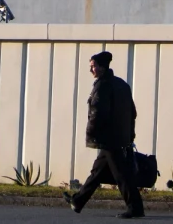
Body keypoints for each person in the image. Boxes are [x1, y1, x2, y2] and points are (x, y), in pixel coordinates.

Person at [63, 50, 144, 219]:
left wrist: (91, 132)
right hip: (120, 137)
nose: (91, 70)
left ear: (102, 67)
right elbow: (133, 112)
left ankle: (135, 208)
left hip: (109, 139)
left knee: (121, 175)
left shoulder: (102, 85)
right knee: (97, 172)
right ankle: (78, 201)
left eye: (93, 66)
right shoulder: (122, 84)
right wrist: (129, 134)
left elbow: (98, 113)